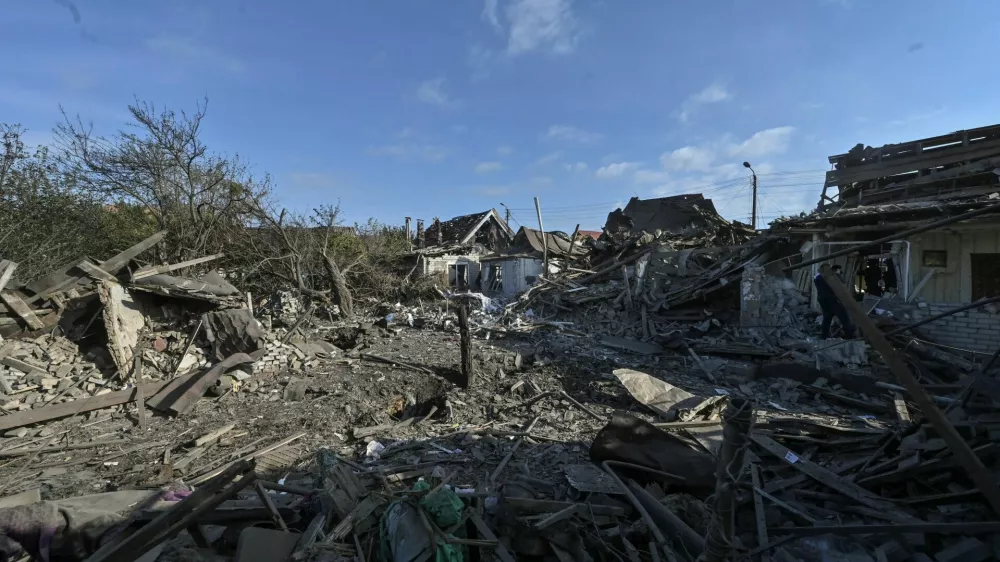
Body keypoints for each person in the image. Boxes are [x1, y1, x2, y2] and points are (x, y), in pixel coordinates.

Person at [814, 265, 856, 339]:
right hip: (835, 302)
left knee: (826, 320)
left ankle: (824, 336)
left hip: (824, 302)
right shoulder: (833, 277)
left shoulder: (817, 278)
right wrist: (837, 274)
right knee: (845, 320)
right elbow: (841, 284)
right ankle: (849, 336)